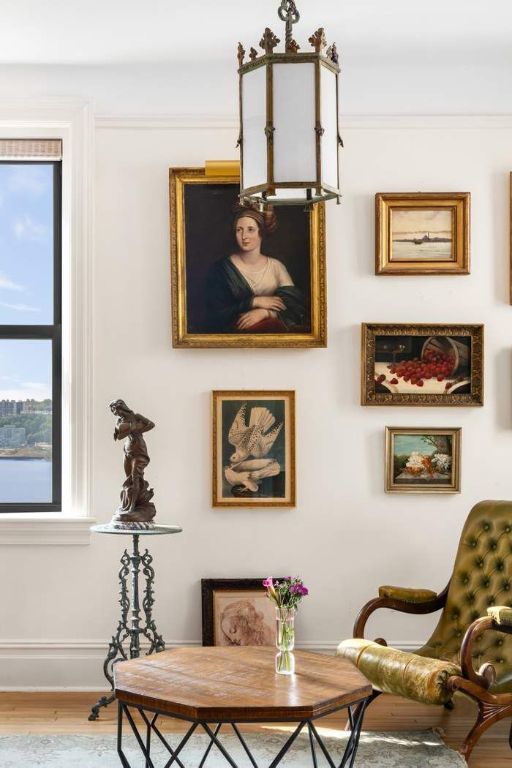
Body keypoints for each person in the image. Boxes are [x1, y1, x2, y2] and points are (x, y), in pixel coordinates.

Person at [206, 206, 306, 333]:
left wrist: (266, 313)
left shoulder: (276, 267)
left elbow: (296, 310)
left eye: (250, 230)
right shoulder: (221, 269)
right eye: (239, 230)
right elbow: (214, 316)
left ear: (261, 232)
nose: (244, 236)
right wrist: (253, 302)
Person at [109, 399, 156, 522]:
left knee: (135, 476)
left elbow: (151, 424)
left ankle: (132, 506)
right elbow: (119, 437)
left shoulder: (136, 416)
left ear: (122, 407)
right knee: (129, 479)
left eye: (116, 410)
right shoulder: (119, 421)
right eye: (113, 411)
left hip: (139, 450)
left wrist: (137, 429)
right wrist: (131, 429)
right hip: (127, 450)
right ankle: (130, 502)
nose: (115, 413)